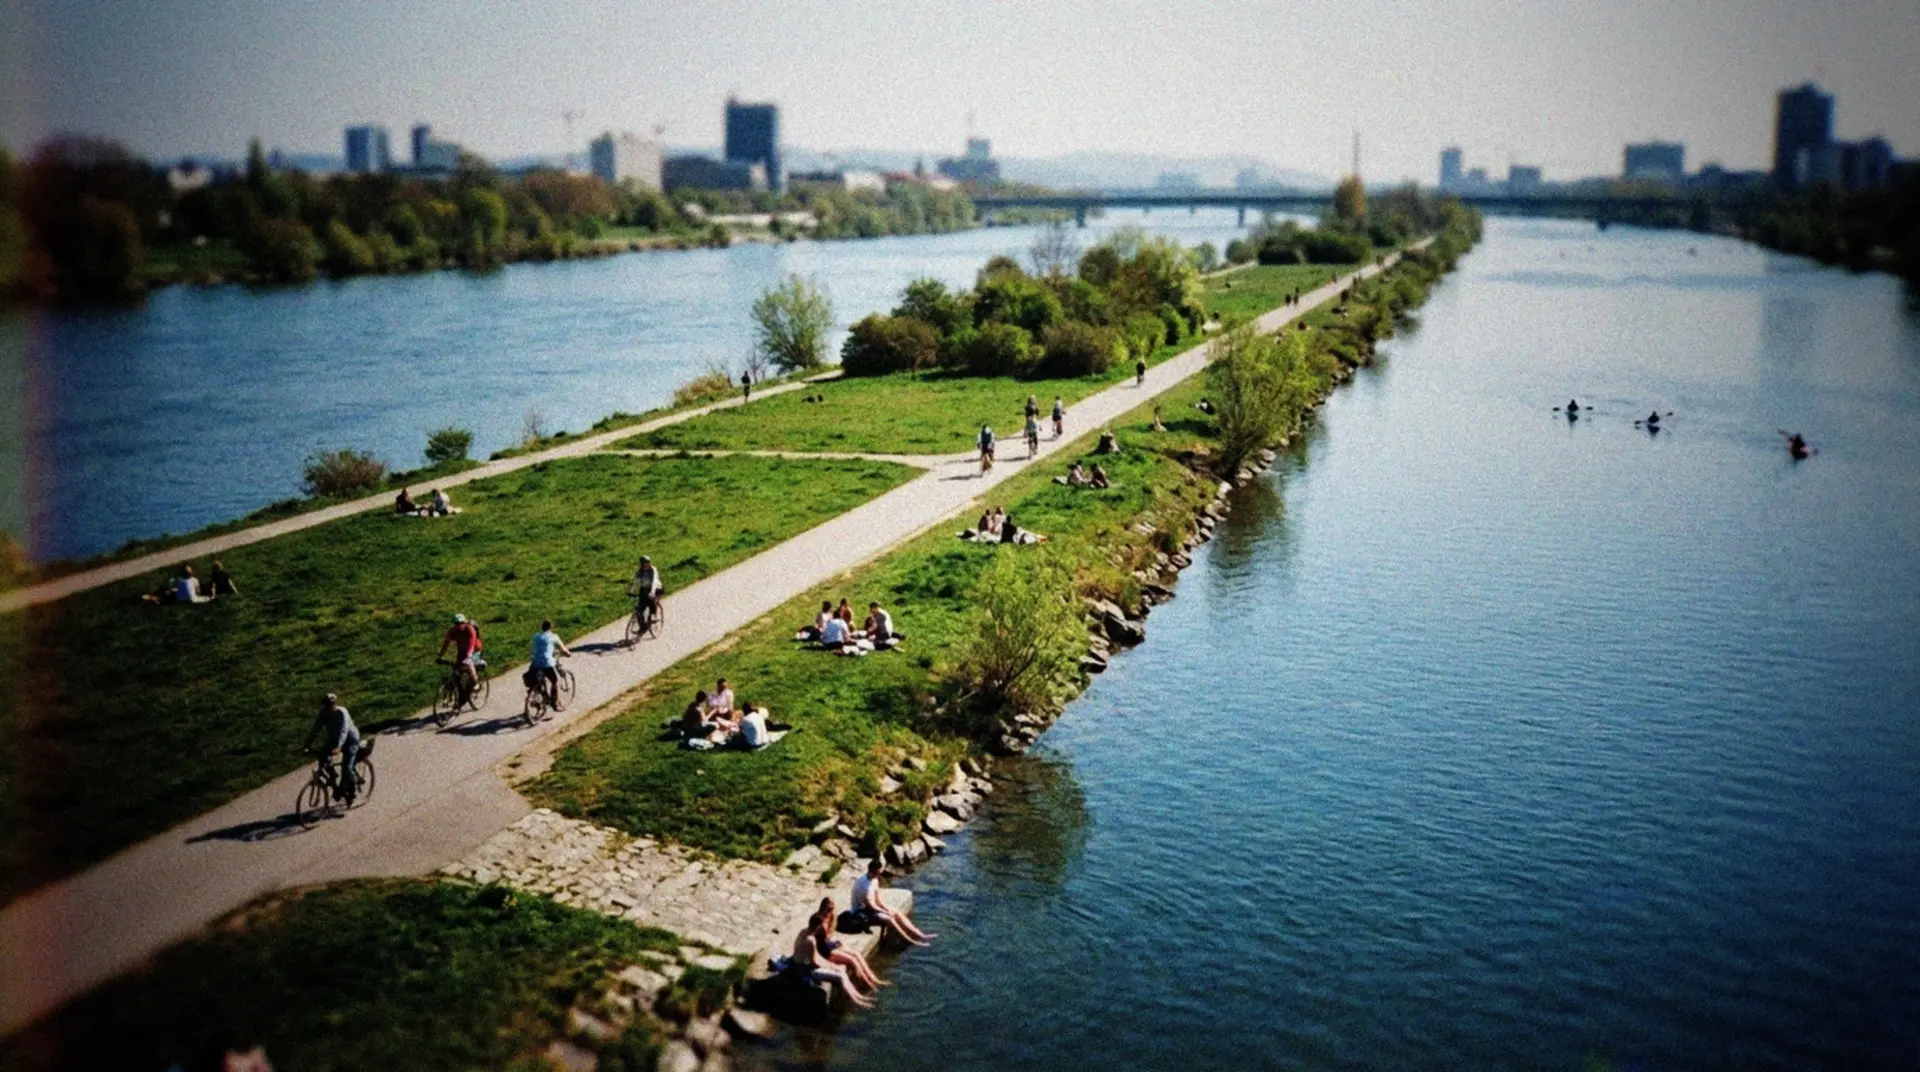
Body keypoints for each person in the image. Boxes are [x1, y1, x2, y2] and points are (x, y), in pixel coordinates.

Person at [791, 907, 874, 1009]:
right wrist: (832, 967)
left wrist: (831, 965)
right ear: (817, 926)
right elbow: (814, 962)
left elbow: (816, 957)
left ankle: (857, 996)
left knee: (841, 970)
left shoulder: (803, 932)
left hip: (800, 965)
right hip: (806, 971)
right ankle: (857, 999)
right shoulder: (811, 940)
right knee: (841, 975)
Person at [851, 858, 932, 947]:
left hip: (872, 909)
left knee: (897, 912)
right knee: (890, 918)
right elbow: (871, 906)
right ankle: (910, 940)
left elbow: (878, 900)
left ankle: (920, 934)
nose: (881, 873)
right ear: (875, 871)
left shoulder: (874, 880)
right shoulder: (864, 886)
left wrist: (886, 908)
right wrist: (885, 912)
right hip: (862, 912)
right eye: (879, 871)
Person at [816, 896, 888, 991]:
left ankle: (873, 978)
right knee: (852, 960)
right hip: (824, 952)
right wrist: (833, 944)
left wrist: (835, 942)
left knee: (857, 954)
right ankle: (863, 981)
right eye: (828, 909)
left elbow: (828, 938)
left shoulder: (831, 918)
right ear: (822, 908)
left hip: (830, 947)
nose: (830, 911)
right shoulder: (819, 921)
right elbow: (821, 943)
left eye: (832, 909)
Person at [304, 693, 360, 803]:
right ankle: (332, 776)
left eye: (331, 705)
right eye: (327, 705)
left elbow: (344, 731)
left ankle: (352, 788)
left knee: (347, 768)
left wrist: (339, 747)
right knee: (323, 756)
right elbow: (316, 728)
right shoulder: (323, 714)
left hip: (350, 739)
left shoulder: (342, 713)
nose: (329, 707)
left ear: (335, 704)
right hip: (334, 739)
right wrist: (307, 744)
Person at [529, 619, 572, 709]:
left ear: (541, 627)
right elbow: (563, 649)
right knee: (554, 681)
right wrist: (568, 654)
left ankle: (538, 694)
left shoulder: (536, 636)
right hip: (546, 663)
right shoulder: (554, 637)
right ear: (551, 627)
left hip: (534, 663)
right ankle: (554, 702)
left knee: (536, 679)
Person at [438, 613, 483, 695]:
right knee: (456, 670)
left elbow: (472, 642)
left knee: (469, 664)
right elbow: (446, 644)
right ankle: (458, 692)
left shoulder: (470, 629)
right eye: (457, 624)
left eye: (461, 623)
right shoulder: (452, 631)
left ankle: (476, 682)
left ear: (465, 622)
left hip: (474, 650)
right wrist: (440, 655)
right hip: (462, 652)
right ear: (454, 624)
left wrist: (469, 654)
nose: (459, 625)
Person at [630, 555, 662, 620]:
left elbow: (654, 581)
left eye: (648, 562)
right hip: (645, 588)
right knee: (640, 606)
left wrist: (652, 592)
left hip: (656, 588)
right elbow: (636, 581)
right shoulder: (639, 571)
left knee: (651, 601)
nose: (647, 564)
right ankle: (642, 624)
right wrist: (632, 591)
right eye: (645, 563)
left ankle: (654, 613)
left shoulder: (653, 570)